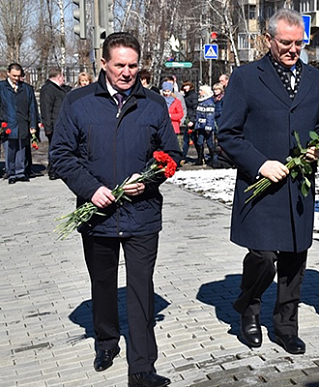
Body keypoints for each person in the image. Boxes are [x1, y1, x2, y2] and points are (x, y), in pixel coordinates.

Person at [50, 32, 180, 387]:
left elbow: (173, 155)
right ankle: (106, 341)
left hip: (142, 215)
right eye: (119, 65)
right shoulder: (78, 102)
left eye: (133, 65)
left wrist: (150, 179)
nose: (126, 72)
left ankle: (142, 367)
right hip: (98, 215)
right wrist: (91, 190)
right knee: (103, 284)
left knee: (140, 290)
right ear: (103, 64)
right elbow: (61, 155)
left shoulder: (153, 103)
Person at [217, 8, 319, 355]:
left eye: (299, 43)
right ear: (268, 40)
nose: (293, 49)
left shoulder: (313, 79)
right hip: (261, 187)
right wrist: (260, 163)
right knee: (264, 257)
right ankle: (248, 308)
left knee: (295, 260)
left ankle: (285, 327)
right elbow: (228, 134)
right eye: (285, 42)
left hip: (298, 189)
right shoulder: (247, 77)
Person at [0, 63, 39, 184]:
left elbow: (32, 108)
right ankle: (11, 172)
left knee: (22, 149)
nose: (16, 78)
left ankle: (20, 172)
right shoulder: (1, 88)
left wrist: (33, 124)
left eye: (18, 76)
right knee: (10, 149)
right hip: (7, 124)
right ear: (8, 73)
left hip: (23, 123)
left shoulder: (27, 89)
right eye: (14, 76)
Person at [40, 68, 68, 180]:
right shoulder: (48, 89)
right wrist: (48, 127)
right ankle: (53, 170)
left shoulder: (59, 89)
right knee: (54, 149)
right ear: (59, 77)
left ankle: (58, 169)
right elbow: (46, 109)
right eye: (63, 77)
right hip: (53, 125)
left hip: (61, 125)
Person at [194, 85, 215, 166]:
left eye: (201, 90)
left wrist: (208, 126)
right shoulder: (202, 101)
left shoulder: (209, 102)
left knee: (209, 142)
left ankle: (212, 159)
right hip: (201, 126)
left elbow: (210, 116)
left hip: (206, 127)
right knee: (200, 142)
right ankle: (200, 159)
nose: (199, 92)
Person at [180, 81, 197, 164]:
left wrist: (192, 120)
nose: (185, 87)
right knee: (187, 139)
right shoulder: (186, 96)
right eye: (184, 86)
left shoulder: (193, 96)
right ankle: (183, 157)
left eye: (187, 86)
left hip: (191, 120)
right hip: (188, 119)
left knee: (193, 139)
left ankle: (184, 157)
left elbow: (195, 108)